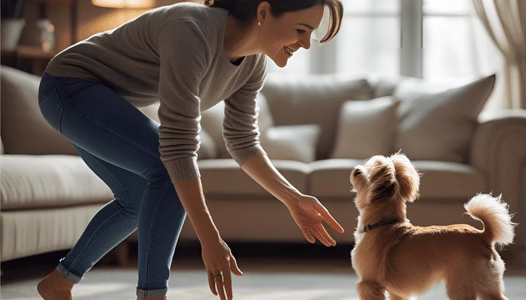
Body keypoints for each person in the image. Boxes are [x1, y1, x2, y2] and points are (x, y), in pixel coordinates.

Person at [35, 0, 344, 299]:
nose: (305, 44)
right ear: (264, 11)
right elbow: (178, 147)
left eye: (311, 35)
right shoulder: (190, 30)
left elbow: (242, 141)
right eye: (301, 30)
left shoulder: (253, 64)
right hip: (69, 87)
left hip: (104, 101)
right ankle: (153, 296)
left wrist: (293, 199)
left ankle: (58, 283)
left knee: (137, 199)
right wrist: (209, 239)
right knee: (167, 172)